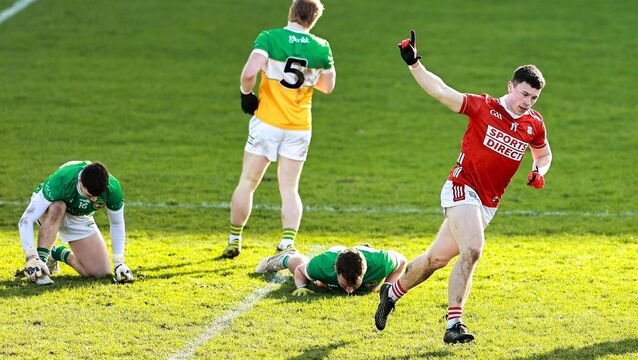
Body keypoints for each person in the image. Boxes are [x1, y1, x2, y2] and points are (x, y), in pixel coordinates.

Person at [374, 31, 553, 344]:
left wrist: (539, 171)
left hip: (487, 203)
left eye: (533, 98)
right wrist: (415, 64)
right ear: (510, 86)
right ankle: (453, 324)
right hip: (462, 186)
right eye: (523, 94)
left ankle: (392, 292)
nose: (527, 102)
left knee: (435, 260)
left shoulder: (533, 123)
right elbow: (442, 91)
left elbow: (544, 153)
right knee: (473, 249)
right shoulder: (484, 107)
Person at [222, 0, 336, 258]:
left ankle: (234, 238)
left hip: (266, 122)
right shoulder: (321, 47)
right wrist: (306, 77)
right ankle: (286, 243)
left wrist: (245, 93)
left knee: (248, 182)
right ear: (313, 20)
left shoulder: (270, 38)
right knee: (289, 188)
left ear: (292, 12)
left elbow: (250, 71)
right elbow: (328, 86)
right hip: (299, 126)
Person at [18, 161, 134, 285]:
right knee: (59, 206)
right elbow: (26, 219)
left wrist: (119, 262)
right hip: (51, 209)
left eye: (97, 196)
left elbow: (117, 224)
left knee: (100, 273)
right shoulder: (62, 179)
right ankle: (40, 264)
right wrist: (31, 257)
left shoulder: (113, 188)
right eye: (89, 195)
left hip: (80, 215)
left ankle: (56, 253)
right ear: (80, 182)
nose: (94, 199)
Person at [256, 245, 406, 296]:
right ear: (336, 271)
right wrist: (301, 287)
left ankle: (364, 246)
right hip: (336, 252)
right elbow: (301, 271)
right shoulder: (323, 265)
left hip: (364, 252)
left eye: (354, 285)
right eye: (345, 284)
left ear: (365, 272)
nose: (349, 291)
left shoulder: (382, 262)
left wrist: (387, 286)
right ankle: (286, 256)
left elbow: (402, 262)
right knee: (300, 266)